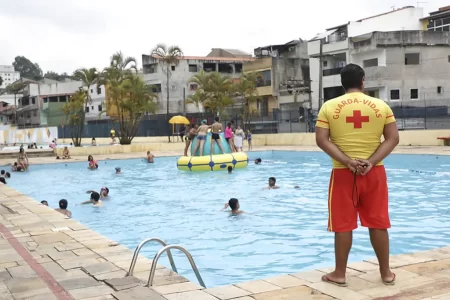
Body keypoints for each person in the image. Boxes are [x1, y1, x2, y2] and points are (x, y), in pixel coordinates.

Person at [315, 63, 399, 287]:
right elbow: (392, 138)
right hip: (375, 172)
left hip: (344, 173)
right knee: (378, 223)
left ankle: (340, 274)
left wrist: (348, 161)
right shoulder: (381, 106)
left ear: (342, 84)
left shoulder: (329, 107)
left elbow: (322, 140)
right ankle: (386, 273)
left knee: (343, 225)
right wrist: (370, 161)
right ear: (363, 81)